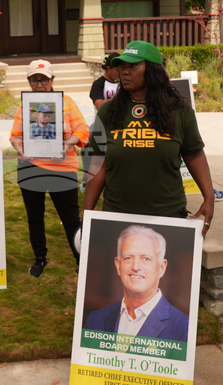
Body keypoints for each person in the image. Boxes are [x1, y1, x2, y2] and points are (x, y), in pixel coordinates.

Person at [83, 41, 215, 238]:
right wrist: (87, 214)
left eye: (133, 66)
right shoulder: (108, 111)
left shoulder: (179, 110)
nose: (125, 72)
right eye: (123, 66)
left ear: (152, 71)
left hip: (167, 215)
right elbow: (99, 164)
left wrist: (209, 196)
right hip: (117, 215)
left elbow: (194, 154)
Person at [10, 59, 89, 277]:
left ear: (52, 80)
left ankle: (80, 258)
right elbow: (15, 136)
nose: (39, 84)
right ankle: (40, 257)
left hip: (63, 169)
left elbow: (82, 130)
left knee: (71, 218)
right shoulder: (24, 106)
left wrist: (67, 144)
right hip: (31, 166)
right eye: (34, 80)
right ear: (28, 81)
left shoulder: (68, 102)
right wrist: (20, 150)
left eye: (43, 80)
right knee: (35, 217)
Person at [85, 225, 189, 341]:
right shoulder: (95, 320)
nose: (136, 267)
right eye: (128, 258)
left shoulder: (183, 327)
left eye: (146, 259)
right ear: (118, 265)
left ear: (161, 268)